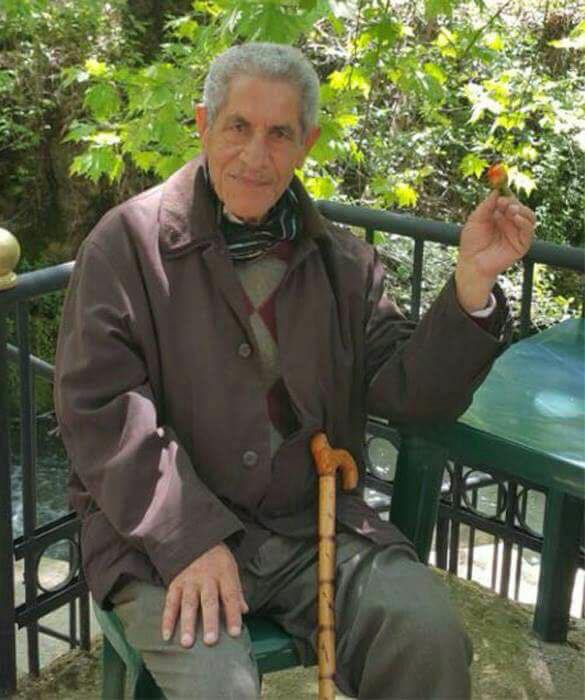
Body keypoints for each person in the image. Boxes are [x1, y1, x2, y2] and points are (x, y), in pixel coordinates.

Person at [54, 42, 535, 699]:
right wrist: (188, 538)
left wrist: (472, 285)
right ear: (203, 125)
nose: (256, 155)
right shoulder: (125, 247)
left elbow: (409, 393)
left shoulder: (345, 263)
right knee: (217, 686)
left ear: (305, 144)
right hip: (162, 537)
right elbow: (101, 413)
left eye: (279, 133)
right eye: (238, 127)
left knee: (427, 636)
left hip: (311, 527)